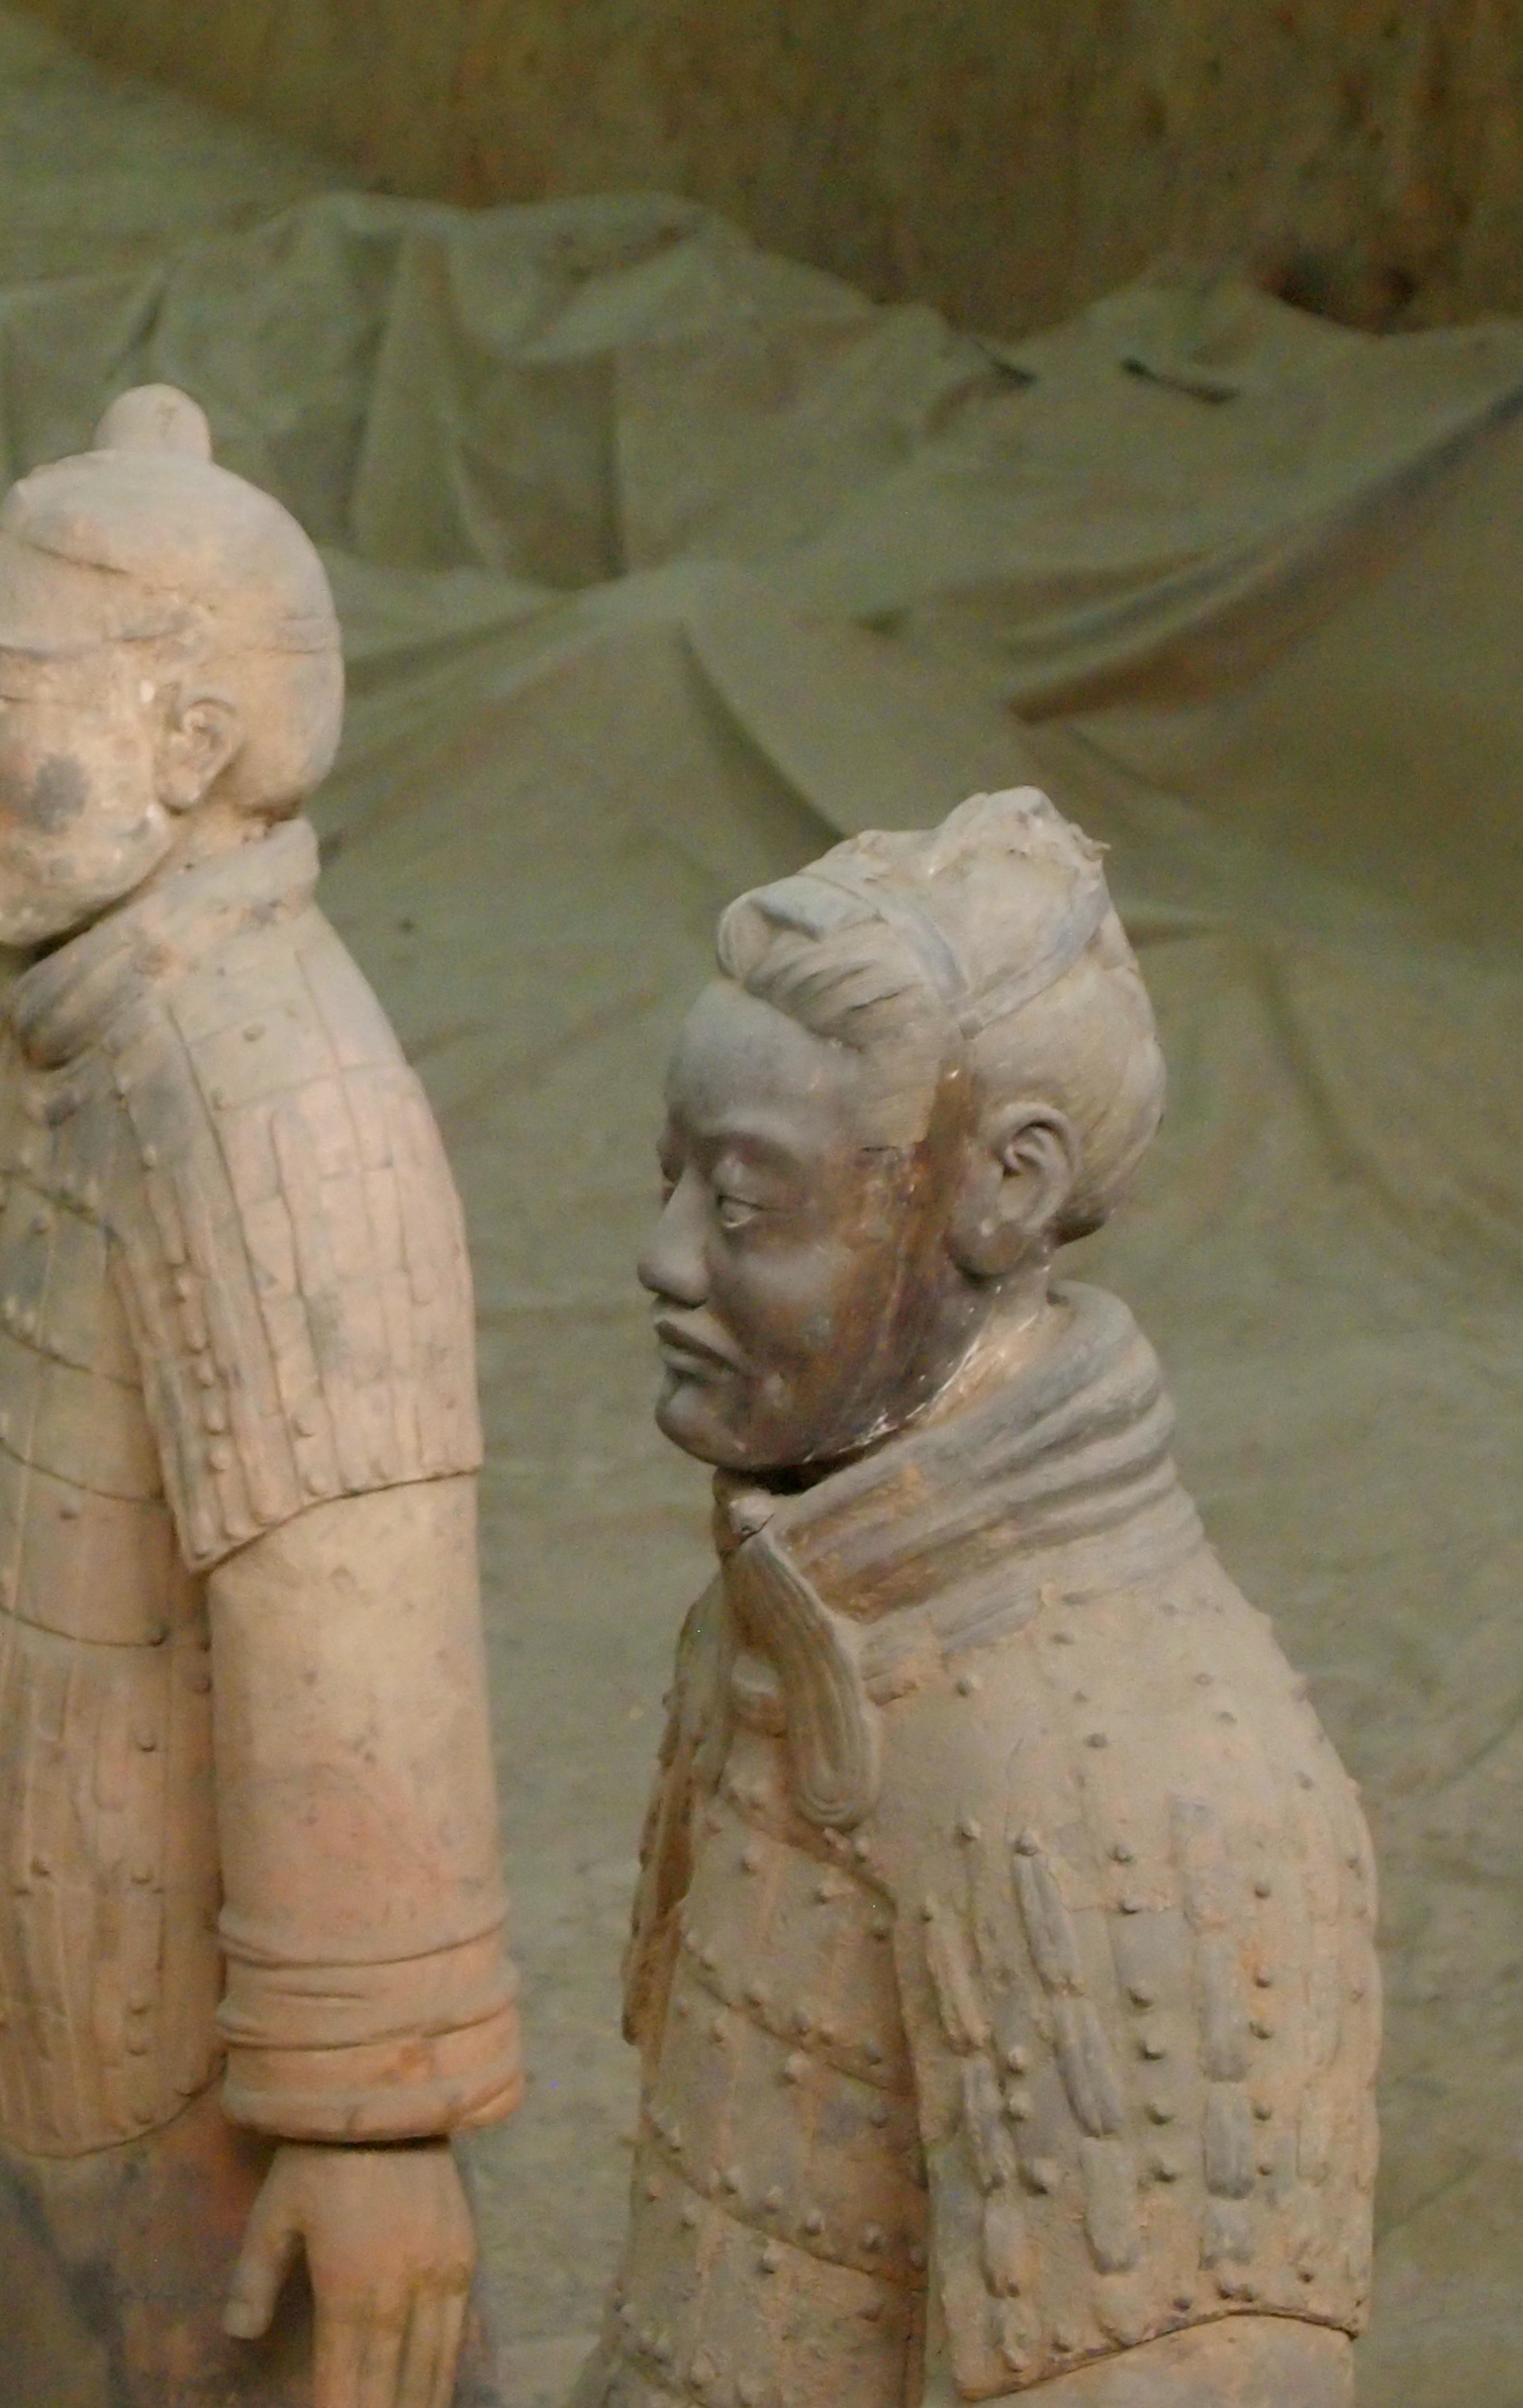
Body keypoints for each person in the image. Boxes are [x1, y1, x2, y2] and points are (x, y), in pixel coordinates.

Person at [0, 384, 524, 2408]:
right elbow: (9, 1481)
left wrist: (373, 2123)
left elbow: (354, 1642)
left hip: (193, 2048)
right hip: (80, 1961)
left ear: (191, 744)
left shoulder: (275, 1104)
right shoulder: (76, 1036)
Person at [576, 790, 1377, 2408]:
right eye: (673, 1182)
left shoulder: (1136, 1789)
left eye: (744, 1206)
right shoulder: (804, 1590)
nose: (665, 1259)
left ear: (1006, 1187)